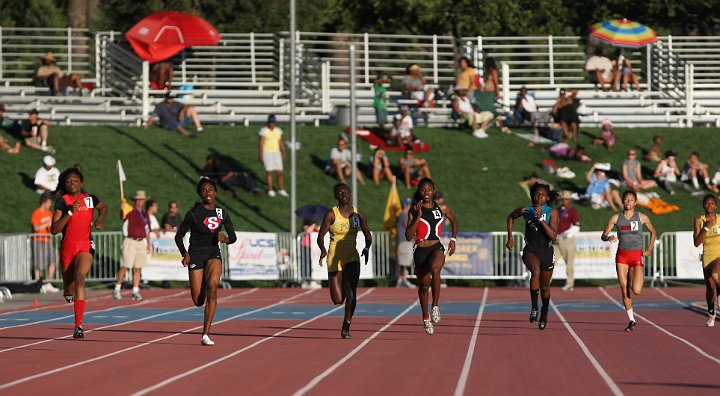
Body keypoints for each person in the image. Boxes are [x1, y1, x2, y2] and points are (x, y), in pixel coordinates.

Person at [175, 178, 237, 346]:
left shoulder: (221, 213)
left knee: (213, 286)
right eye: (204, 191)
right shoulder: (194, 214)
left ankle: (205, 334)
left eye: (210, 190)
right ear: (200, 194)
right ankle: (203, 283)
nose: (207, 193)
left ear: (215, 192)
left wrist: (226, 239)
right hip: (196, 255)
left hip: (213, 253)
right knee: (198, 301)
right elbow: (178, 235)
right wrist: (185, 253)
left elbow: (233, 237)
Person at [50, 168, 108, 339]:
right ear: (64, 185)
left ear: (81, 183)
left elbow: (103, 207)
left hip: (85, 245)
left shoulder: (89, 199)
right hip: (68, 247)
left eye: (76, 180)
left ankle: (79, 326)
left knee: (80, 278)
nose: (72, 183)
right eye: (69, 181)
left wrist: (99, 219)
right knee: (70, 286)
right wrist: (69, 212)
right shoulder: (62, 202)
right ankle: (68, 293)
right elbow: (54, 230)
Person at [317, 183, 372, 339]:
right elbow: (321, 235)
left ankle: (346, 326)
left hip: (352, 256)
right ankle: (344, 292)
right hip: (334, 257)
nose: (344, 194)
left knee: (352, 291)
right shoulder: (331, 214)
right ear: (336, 196)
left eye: (346, 192)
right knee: (338, 299)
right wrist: (322, 249)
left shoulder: (358, 214)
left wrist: (367, 248)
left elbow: (368, 234)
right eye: (340, 193)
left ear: (350, 193)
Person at [405, 178, 458, 335]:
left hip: (436, 247)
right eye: (423, 189)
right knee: (423, 287)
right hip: (420, 250)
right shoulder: (414, 209)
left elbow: (454, 222)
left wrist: (453, 240)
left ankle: (435, 306)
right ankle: (425, 317)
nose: (426, 192)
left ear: (433, 190)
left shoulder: (442, 208)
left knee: (436, 270)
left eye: (429, 189)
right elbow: (408, 236)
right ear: (419, 192)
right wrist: (418, 216)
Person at [505, 183, 559, 330]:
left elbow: (553, 236)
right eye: (536, 194)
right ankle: (534, 308)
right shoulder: (526, 211)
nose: (538, 197)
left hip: (546, 251)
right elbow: (511, 217)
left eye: (542, 195)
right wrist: (510, 238)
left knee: (545, 286)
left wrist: (541, 219)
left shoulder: (552, 213)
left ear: (547, 198)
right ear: (532, 196)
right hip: (531, 250)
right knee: (535, 272)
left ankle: (545, 313)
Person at [601, 190, 656, 332]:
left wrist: (649, 248)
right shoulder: (615, 218)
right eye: (626, 199)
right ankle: (631, 319)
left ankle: (633, 276)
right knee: (624, 289)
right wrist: (609, 238)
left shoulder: (642, 217)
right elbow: (604, 235)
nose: (628, 202)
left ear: (635, 202)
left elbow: (653, 232)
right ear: (622, 201)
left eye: (631, 200)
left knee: (636, 290)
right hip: (622, 256)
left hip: (637, 255)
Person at [114, 190, 151, 301]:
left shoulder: (145, 214)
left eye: (142, 199)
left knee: (138, 268)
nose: (140, 201)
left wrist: (149, 244)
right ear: (135, 200)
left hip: (141, 242)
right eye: (138, 199)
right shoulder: (129, 210)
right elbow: (122, 216)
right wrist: (122, 208)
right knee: (125, 266)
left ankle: (135, 291)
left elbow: (148, 230)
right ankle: (117, 289)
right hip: (130, 241)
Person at [693, 194, 720, 327]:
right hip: (707, 255)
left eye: (712, 203)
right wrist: (706, 227)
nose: (710, 205)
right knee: (710, 288)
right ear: (703, 205)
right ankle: (711, 314)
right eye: (707, 203)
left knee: (716, 274)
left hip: (719, 254)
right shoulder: (700, 220)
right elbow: (697, 243)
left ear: (716, 205)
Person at [31, 194, 59, 293]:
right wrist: (47, 224)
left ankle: (48, 282)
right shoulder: (36, 213)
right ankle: (38, 284)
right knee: (38, 263)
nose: (50, 205)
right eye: (49, 202)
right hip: (38, 240)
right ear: (44, 202)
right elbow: (36, 228)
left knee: (53, 259)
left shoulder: (49, 213)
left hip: (47, 240)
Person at [555, 191, 580, 291]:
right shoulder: (557, 210)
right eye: (563, 199)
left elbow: (577, 226)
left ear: (569, 200)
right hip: (557, 239)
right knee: (551, 261)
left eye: (566, 199)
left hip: (568, 239)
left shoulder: (572, 211)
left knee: (569, 264)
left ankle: (570, 284)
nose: (564, 201)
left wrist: (567, 234)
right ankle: (546, 282)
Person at [258, 114, 288, 197]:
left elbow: (281, 142)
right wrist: (260, 154)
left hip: (277, 152)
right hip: (267, 152)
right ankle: (270, 189)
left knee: (280, 172)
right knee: (270, 172)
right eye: (270, 122)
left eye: (273, 122)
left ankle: (281, 189)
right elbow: (261, 143)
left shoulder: (278, 131)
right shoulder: (263, 131)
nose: (272, 124)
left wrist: (283, 152)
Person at [396, 197, 415, 288]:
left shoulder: (404, 214)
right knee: (405, 262)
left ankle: (401, 279)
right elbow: (407, 226)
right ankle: (404, 279)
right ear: (405, 205)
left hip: (404, 242)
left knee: (404, 262)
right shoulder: (404, 214)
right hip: (404, 242)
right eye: (409, 204)